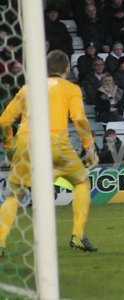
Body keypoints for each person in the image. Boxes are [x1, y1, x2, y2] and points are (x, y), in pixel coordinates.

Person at [0, 50, 98, 255]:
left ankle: (0, 241)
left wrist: (10, 146)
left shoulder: (28, 89)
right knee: (81, 182)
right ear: (67, 68)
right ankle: (78, 236)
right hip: (55, 142)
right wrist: (89, 146)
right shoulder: (71, 88)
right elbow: (79, 119)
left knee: (15, 194)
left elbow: (4, 121)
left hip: (26, 142)